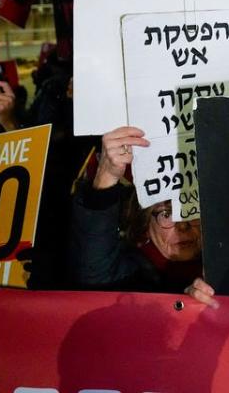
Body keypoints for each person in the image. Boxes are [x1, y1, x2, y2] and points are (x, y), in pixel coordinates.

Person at [68, 126, 217, 307]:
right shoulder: (128, 273)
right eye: (167, 213)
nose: (182, 225)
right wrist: (106, 176)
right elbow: (93, 270)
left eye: (191, 210)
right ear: (145, 223)